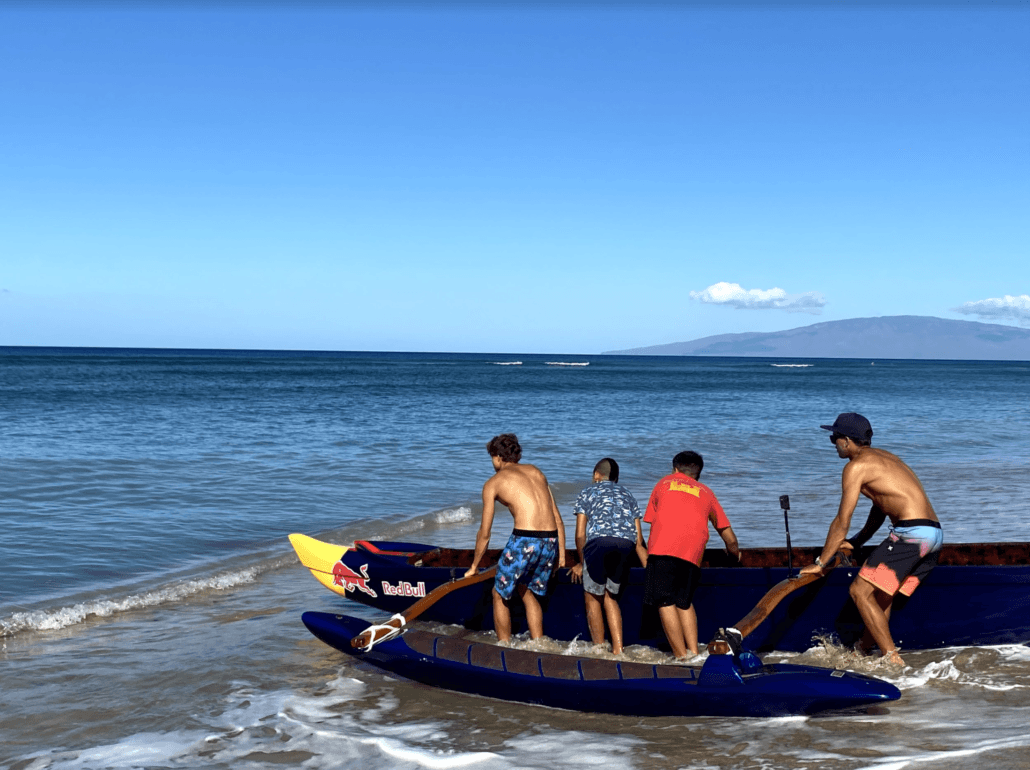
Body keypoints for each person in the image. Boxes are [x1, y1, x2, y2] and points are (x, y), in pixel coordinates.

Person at [800, 413, 943, 667]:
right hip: (933, 534)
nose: (832, 442)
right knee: (880, 595)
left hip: (911, 534)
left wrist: (821, 562)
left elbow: (842, 520)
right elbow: (881, 506)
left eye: (834, 438)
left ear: (846, 441)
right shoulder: (885, 458)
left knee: (859, 591)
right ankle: (863, 650)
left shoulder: (855, 467)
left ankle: (892, 659)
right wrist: (856, 542)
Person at [465, 433, 566, 642]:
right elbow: (557, 517)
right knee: (527, 590)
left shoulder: (493, 483)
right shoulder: (536, 472)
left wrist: (474, 567)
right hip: (550, 540)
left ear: (497, 457)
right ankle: (538, 643)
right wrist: (561, 557)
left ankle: (504, 646)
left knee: (499, 593)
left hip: (525, 540)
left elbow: (485, 533)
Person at [643, 451, 739, 659]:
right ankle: (694, 652)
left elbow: (651, 519)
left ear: (675, 469)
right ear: (698, 474)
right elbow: (728, 536)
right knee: (684, 602)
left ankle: (680, 656)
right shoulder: (706, 491)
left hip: (663, 549)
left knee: (665, 601)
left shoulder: (664, 483)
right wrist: (735, 554)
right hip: (692, 554)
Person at [568, 457, 648, 655]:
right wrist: (650, 568)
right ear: (616, 478)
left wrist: (581, 562)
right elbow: (638, 539)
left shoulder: (588, 491)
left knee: (593, 596)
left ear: (596, 475)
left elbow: (580, 534)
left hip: (598, 543)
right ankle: (618, 650)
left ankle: (599, 648)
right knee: (610, 597)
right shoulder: (628, 494)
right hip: (626, 544)